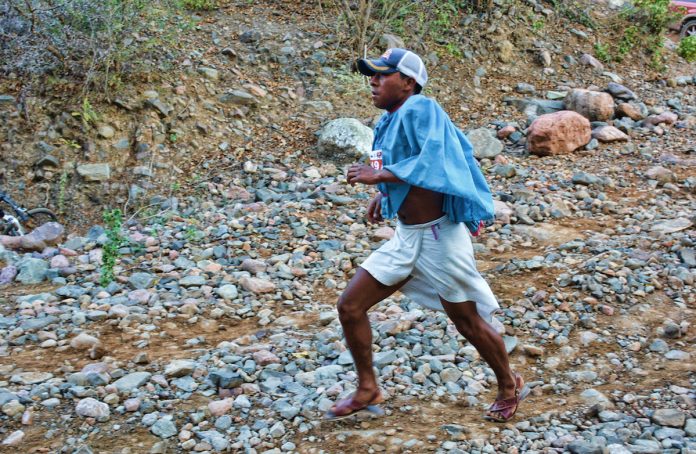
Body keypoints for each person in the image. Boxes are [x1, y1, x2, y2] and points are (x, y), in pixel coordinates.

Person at [326, 48, 527, 422]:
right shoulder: (387, 121)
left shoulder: (421, 107)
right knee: (350, 306)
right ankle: (367, 388)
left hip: (440, 238)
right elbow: (406, 168)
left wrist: (380, 176)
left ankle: (508, 384)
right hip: (407, 235)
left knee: (467, 321)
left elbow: (435, 159)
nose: (373, 81)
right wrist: (384, 193)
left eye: (382, 75)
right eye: (371, 75)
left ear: (408, 82)